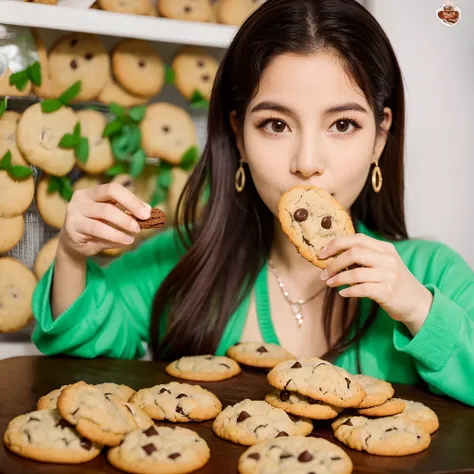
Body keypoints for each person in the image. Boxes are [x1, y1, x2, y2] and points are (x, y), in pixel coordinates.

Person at [32, 0, 474, 406]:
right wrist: (72, 254)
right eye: (276, 124)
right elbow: (79, 364)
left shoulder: (433, 275)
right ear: (239, 135)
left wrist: (419, 309)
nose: (307, 163)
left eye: (342, 124)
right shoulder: (183, 263)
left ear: (380, 137)